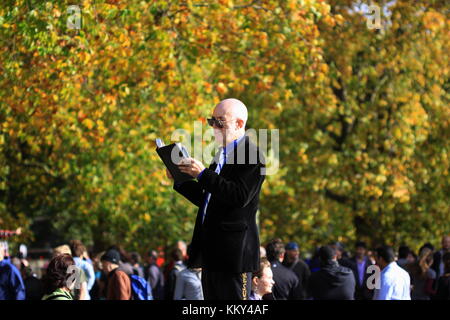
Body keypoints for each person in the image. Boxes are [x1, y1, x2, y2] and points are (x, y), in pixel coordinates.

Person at [168, 98, 266, 300]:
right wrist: (181, 179)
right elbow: (210, 199)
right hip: (212, 253)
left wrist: (203, 174)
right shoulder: (222, 155)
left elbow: (239, 196)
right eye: (212, 121)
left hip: (234, 256)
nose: (214, 127)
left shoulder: (253, 154)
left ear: (239, 123)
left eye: (220, 121)